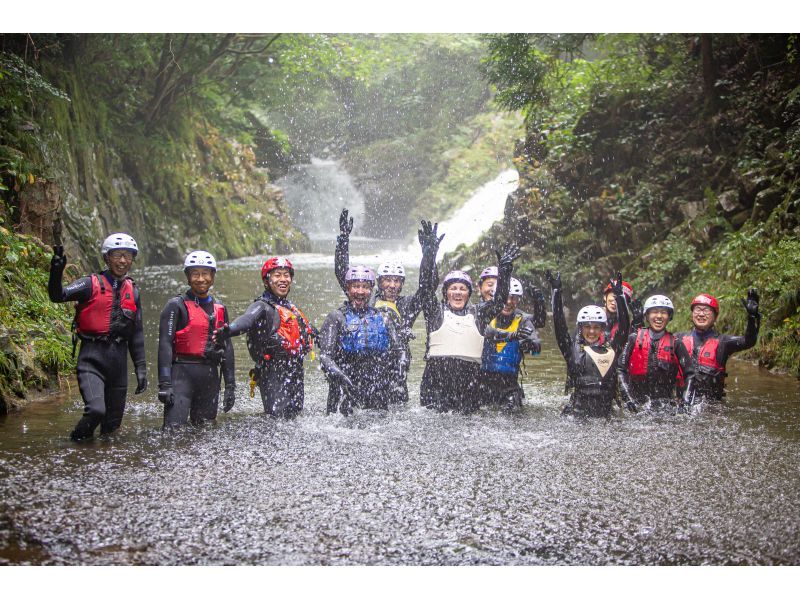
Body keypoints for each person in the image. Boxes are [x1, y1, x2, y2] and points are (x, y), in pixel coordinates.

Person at [48, 233, 147, 441]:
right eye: (117, 255)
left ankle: (104, 463)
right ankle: (75, 445)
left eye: (128, 256)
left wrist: (141, 368)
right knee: (95, 410)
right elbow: (58, 296)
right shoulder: (89, 284)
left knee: (111, 430)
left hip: (118, 365)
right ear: (106, 257)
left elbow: (136, 334)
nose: (122, 261)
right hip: (92, 359)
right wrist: (56, 271)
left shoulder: (134, 291)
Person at [334, 210, 440, 403]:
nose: (392, 285)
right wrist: (343, 240)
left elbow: (427, 286)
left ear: (402, 284)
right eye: (387, 280)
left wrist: (429, 255)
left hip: (397, 370)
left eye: (397, 281)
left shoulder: (407, 305)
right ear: (378, 282)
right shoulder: (367, 300)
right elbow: (343, 275)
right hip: (372, 367)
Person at [420, 244, 521, 414]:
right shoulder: (435, 312)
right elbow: (425, 289)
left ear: (469, 293)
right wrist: (429, 256)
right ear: (445, 293)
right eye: (453, 288)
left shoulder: (479, 314)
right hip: (435, 386)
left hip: (468, 386)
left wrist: (504, 273)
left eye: (463, 289)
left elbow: (499, 301)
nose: (458, 292)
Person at [213, 256, 314, 419]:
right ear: (267, 281)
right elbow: (246, 320)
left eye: (286, 275)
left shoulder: (291, 309)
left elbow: (311, 332)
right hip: (271, 371)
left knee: (295, 418)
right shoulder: (261, 306)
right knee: (276, 420)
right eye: (277, 275)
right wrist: (229, 330)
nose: (283, 279)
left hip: (295, 370)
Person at [157, 251, 235, 428]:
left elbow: (227, 347)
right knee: (173, 432)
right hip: (181, 375)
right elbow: (165, 345)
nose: (201, 279)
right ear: (187, 276)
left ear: (213, 276)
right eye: (195, 274)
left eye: (206, 273)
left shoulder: (220, 308)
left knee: (206, 432)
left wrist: (230, 385)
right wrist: (165, 384)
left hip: (210, 378)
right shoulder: (175, 306)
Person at [318, 265, 407, 416]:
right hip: (346, 388)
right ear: (347, 289)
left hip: (377, 389)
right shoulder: (337, 317)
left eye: (365, 287)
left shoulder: (384, 318)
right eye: (355, 286)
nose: (360, 291)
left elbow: (400, 350)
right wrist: (341, 377)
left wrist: (400, 369)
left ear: (371, 290)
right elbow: (325, 357)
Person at [548, 270, 629, 418]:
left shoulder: (612, 348)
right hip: (578, 414)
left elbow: (624, 327)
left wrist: (620, 298)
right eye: (587, 326)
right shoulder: (571, 350)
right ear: (580, 328)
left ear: (603, 329)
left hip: (606, 414)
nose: (591, 331)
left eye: (596, 327)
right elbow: (559, 325)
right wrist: (556, 292)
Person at [676, 290, 760, 405]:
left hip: (711, 408)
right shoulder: (678, 339)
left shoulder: (723, 343)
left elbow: (748, 341)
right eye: (698, 310)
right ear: (692, 314)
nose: (701, 314)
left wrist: (752, 317)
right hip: (681, 405)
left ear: (715, 317)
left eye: (706, 311)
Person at [617, 294, 694, 412]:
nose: (659, 316)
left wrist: (686, 401)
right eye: (654, 312)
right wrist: (627, 398)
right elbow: (620, 369)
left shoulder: (676, 343)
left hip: (665, 407)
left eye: (663, 312)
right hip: (638, 406)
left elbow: (690, 374)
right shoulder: (633, 338)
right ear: (647, 316)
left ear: (669, 317)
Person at [478, 277, 541, 412]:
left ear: (518, 300)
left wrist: (530, 345)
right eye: (505, 297)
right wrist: (512, 336)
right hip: (482, 383)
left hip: (509, 386)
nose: (508, 302)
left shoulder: (523, 320)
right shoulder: (484, 316)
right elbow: (487, 333)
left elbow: (536, 348)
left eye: (513, 298)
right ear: (496, 298)